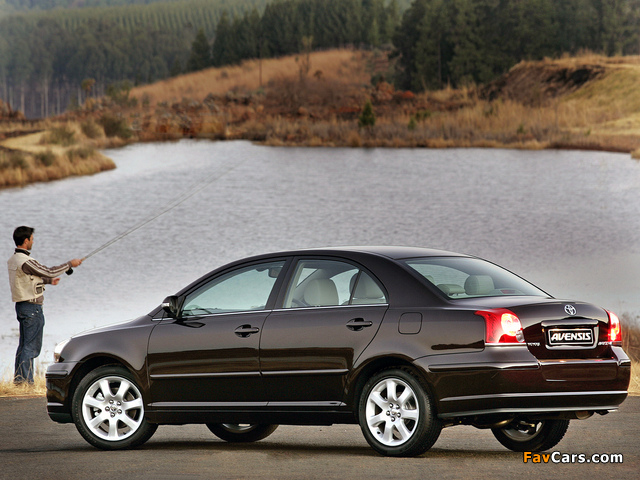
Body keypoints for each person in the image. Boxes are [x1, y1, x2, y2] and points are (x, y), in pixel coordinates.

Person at [7, 226, 83, 384]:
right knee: (31, 347)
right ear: (26, 240)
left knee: (24, 346)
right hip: (32, 309)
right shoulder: (26, 261)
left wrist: (48, 282)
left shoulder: (13, 259)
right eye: (32, 239)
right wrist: (70, 264)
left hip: (22, 307)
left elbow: (28, 279)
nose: (33, 242)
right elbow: (49, 271)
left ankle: (20, 380)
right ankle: (26, 383)